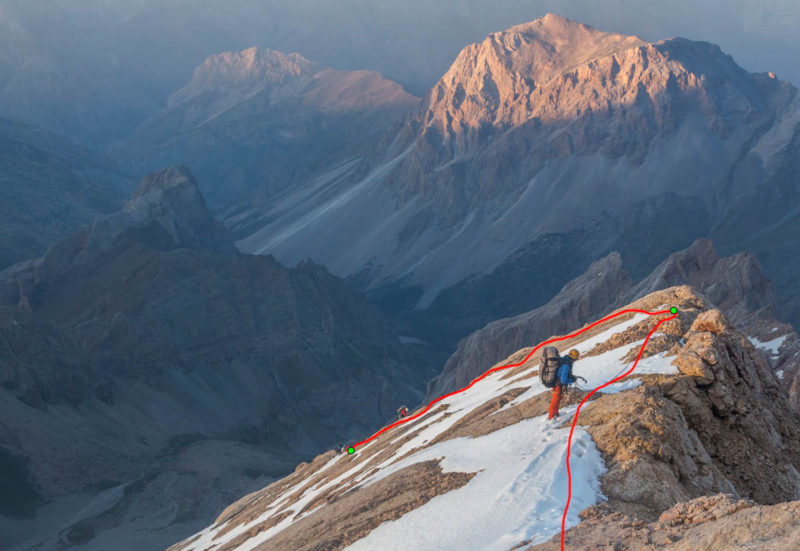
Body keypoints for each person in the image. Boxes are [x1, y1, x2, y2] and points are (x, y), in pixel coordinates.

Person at [548, 349, 579, 420]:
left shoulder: (564, 361)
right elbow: (563, 380)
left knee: (557, 399)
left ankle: (555, 413)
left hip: (556, 383)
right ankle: (551, 417)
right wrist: (572, 380)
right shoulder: (566, 365)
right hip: (557, 385)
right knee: (555, 399)